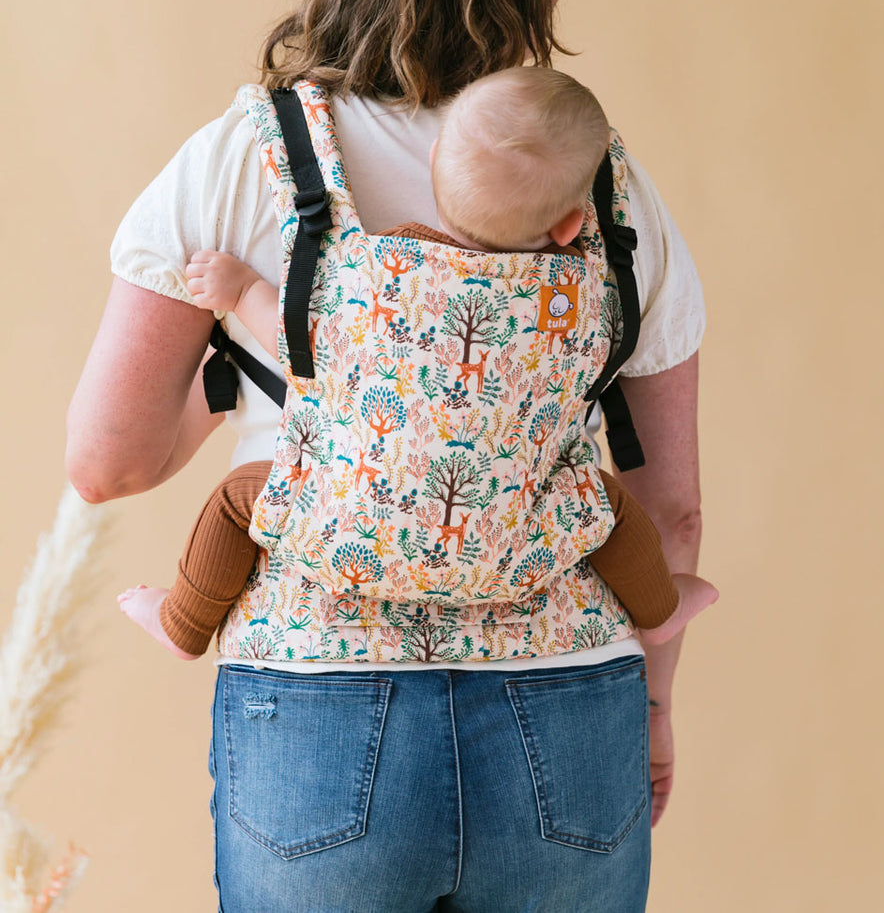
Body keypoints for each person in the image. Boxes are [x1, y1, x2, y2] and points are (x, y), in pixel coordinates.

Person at [67, 0, 706, 912]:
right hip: (565, 704)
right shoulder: (601, 187)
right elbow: (668, 511)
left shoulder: (235, 162)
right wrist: (649, 712)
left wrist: (258, 379)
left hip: (317, 699)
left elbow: (108, 463)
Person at [117, 66, 716, 662]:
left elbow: (303, 347)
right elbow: (677, 516)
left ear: (432, 166)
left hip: (343, 536)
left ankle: (183, 623)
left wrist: (240, 287)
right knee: (605, 507)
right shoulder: (578, 297)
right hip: (514, 553)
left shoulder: (381, 279)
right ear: (569, 224)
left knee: (234, 501)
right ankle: (659, 611)